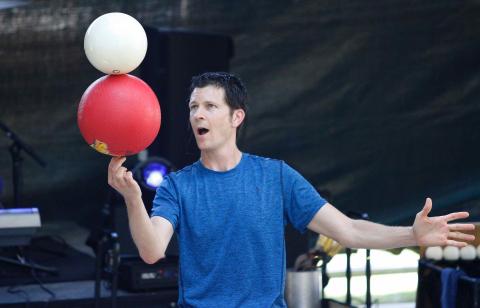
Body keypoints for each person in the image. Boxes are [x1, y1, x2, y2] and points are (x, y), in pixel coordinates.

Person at [108, 72, 475, 307]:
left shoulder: (276, 177)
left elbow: (348, 230)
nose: (197, 115)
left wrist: (411, 233)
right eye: (192, 107)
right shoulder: (177, 185)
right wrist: (133, 198)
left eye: (209, 106)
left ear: (237, 117)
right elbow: (152, 250)